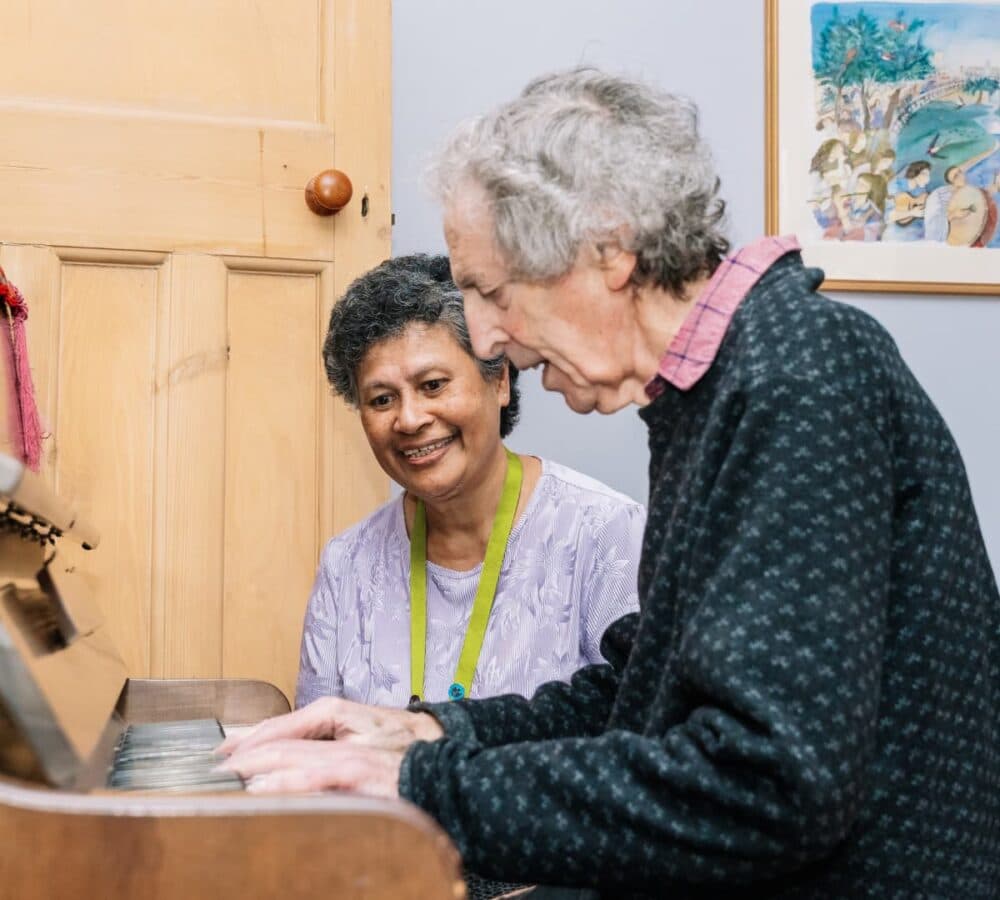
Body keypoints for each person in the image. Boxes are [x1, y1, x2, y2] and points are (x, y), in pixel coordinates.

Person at [219, 68, 999, 898]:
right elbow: (642, 688)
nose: (486, 338)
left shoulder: (795, 376)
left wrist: (422, 787)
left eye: (491, 292)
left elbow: (770, 783)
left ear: (611, 249)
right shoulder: (720, 388)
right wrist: (425, 733)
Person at [297, 253, 644, 710]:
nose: (410, 418)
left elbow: (640, 733)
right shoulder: (347, 565)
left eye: (433, 385)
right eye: (382, 399)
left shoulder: (607, 534)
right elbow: (317, 751)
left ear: (499, 381)